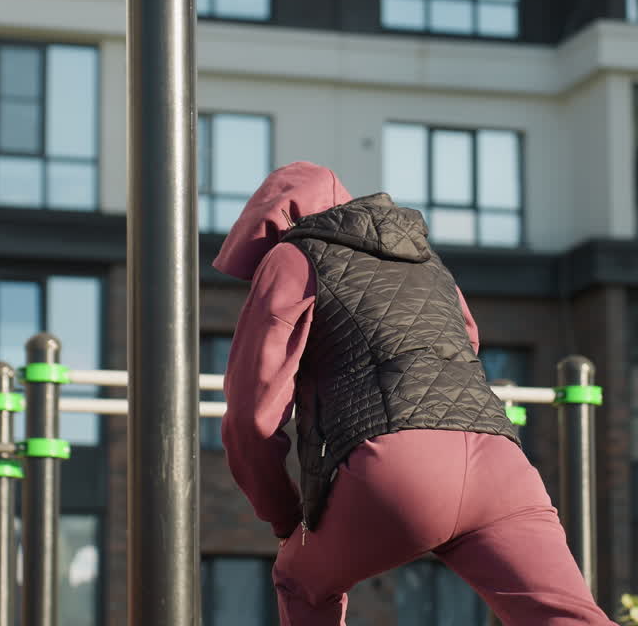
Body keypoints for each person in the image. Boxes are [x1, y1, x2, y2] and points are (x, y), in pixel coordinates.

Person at [213, 162, 616, 626]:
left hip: (399, 470)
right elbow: (467, 343)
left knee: (300, 580)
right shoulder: (426, 261)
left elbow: (250, 418)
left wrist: (288, 521)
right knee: (568, 617)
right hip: (500, 463)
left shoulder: (293, 255)